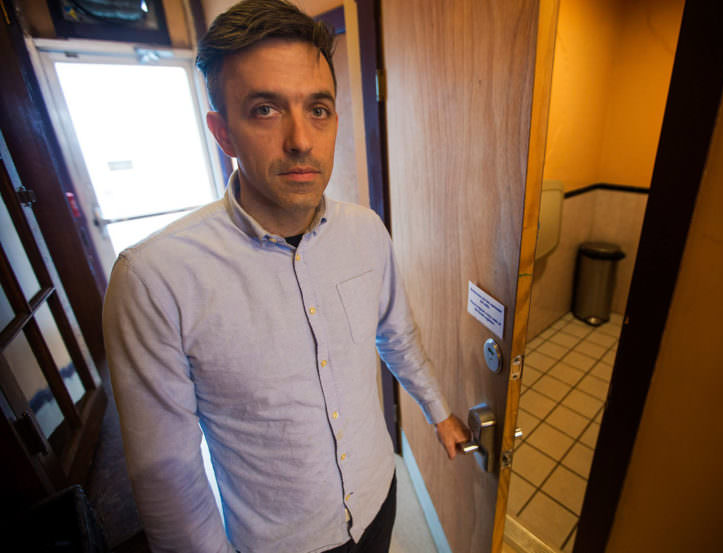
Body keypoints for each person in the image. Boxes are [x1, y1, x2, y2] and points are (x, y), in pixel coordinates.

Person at [101, 1, 470, 552]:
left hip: (378, 498)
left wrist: (438, 412)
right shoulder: (154, 279)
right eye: (266, 110)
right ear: (223, 132)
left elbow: (396, 334)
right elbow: (169, 475)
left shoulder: (366, 232)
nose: (301, 139)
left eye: (318, 109)